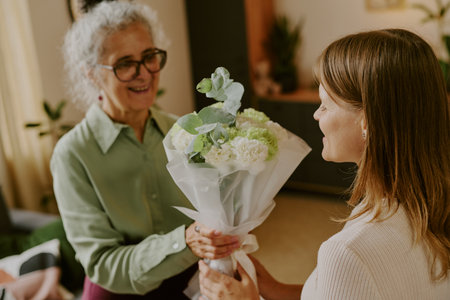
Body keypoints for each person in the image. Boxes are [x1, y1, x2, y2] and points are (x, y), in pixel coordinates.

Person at [198, 29, 450, 299]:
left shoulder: (348, 253)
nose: (317, 115)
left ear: (367, 123)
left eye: (326, 105)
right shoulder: (429, 206)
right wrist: (277, 289)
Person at [51, 1, 240, 299]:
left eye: (149, 56)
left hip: (196, 278)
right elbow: (102, 264)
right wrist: (185, 242)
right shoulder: (71, 155)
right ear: (91, 74)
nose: (144, 74)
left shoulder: (184, 130)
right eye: (124, 63)